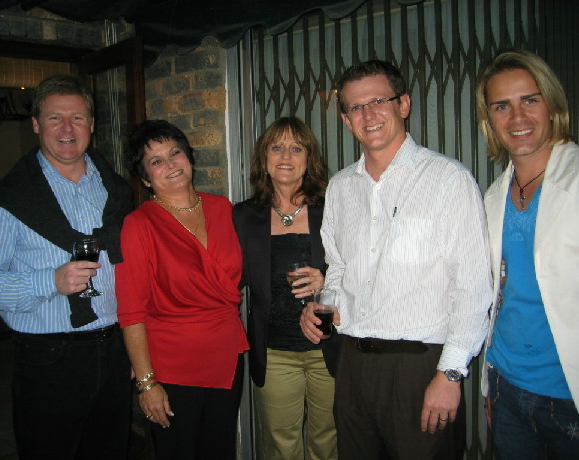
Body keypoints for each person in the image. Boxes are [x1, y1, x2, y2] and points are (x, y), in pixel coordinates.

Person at [299, 59, 492, 459]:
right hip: (352, 363)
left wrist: (450, 373)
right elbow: (338, 267)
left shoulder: (449, 180)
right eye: (356, 107)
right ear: (346, 119)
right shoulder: (340, 188)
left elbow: (472, 287)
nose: (368, 115)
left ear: (403, 104)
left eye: (378, 101)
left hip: (418, 367)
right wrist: (323, 305)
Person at [0, 74, 134, 459]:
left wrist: (134, 346)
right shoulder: (5, 201)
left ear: (92, 125)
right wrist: (49, 281)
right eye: (55, 118)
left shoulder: (116, 191)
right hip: (48, 358)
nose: (67, 128)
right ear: (36, 124)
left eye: (77, 118)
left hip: (113, 349)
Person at [116, 119, 249, 459]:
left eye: (175, 153)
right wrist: (146, 383)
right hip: (172, 367)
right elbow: (131, 311)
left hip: (226, 355)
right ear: (146, 178)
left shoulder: (221, 208)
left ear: (189, 158)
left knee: (219, 451)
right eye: (156, 161)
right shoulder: (138, 225)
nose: (171, 164)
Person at [476, 49, 579, 459]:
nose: (517, 117)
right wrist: (490, 384)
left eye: (529, 100)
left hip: (568, 394)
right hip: (508, 387)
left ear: (552, 105)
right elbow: (498, 298)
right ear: (489, 120)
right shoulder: (492, 198)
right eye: (502, 106)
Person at [233, 117, 339, 460]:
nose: (285, 156)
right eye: (276, 147)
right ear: (264, 157)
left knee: (329, 442)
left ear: (309, 159)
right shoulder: (244, 216)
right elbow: (229, 278)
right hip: (275, 351)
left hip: (329, 347)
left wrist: (327, 280)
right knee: (281, 447)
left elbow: (362, 268)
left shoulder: (332, 208)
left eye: (296, 148)